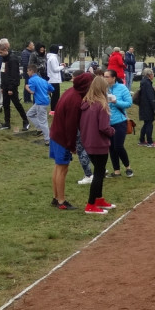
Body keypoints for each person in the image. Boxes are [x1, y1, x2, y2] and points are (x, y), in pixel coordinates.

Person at [49, 71, 94, 210]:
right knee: (62, 168)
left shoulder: (70, 91)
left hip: (55, 134)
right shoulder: (75, 100)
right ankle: (61, 201)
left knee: (58, 167)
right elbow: (71, 125)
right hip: (62, 137)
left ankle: (56, 198)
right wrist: (71, 145)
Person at [79, 75, 116, 214]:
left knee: (99, 171)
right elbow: (104, 127)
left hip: (88, 142)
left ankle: (99, 199)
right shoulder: (102, 105)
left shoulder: (86, 104)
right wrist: (112, 131)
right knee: (99, 173)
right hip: (99, 143)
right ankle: (90, 204)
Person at [102, 68, 133, 177]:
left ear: (113, 78)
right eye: (104, 76)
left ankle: (128, 167)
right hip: (107, 122)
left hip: (120, 121)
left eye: (107, 77)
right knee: (111, 147)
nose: (105, 79)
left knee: (118, 146)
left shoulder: (122, 88)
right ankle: (116, 171)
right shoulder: (103, 89)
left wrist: (116, 102)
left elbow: (129, 103)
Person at [0, 39, 29, 132]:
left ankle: (26, 121)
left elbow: (14, 75)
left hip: (12, 87)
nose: (0, 54)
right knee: (5, 105)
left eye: (1, 52)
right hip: (5, 86)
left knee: (17, 104)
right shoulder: (4, 59)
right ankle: (7, 123)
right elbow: (3, 73)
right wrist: (3, 86)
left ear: (5, 50)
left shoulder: (13, 59)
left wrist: (11, 88)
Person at [24, 63, 53, 145]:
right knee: (29, 114)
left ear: (31, 71)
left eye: (28, 71)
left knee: (43, 121)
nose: (27, 73)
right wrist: (45, 93)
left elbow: (32, 92)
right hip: (44, 101)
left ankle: (48, 140)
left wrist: (27, 88)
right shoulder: (42, 80)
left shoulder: (32, 80)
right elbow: (51, 89)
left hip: (40, 103)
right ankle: (39, 128)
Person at [137, 68, 155, 147]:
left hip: (143, 106)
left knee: (146, 124)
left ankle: (142, 140)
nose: (153, 75)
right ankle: (150, 141)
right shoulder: (147, 83)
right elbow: (151, 97)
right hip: (148, 107)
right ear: (149, 75)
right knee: (149, 124)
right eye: (152, 74)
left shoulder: (143, 82)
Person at [46, 45, 63, 112]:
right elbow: (55, 69)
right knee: (55, 96)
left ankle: (54, 109)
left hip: (53, 79)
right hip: (54, 79)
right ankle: (53, 109)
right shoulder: (53, 58)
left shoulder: (52, 57)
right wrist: (62, 66)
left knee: (55, 95)